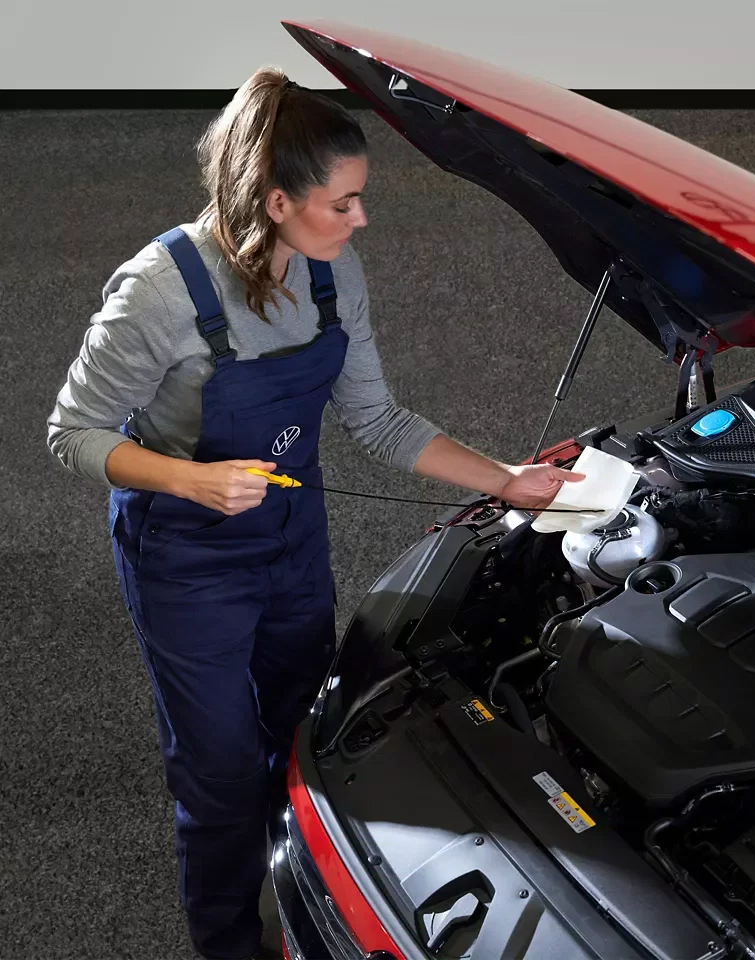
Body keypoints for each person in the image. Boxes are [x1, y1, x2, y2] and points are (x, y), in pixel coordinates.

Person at [46, 68, 581, 960]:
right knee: (218, 774)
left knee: (305, 727)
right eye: (344, 204)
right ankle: (228, 941)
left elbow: (378, 420)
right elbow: (71, 433)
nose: (360, 220)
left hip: (292, 539)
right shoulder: (160, 292)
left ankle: (302, 905)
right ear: (276, 200)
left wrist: (506, 480)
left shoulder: (333, 273)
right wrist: (191, 481)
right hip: (187, 556)